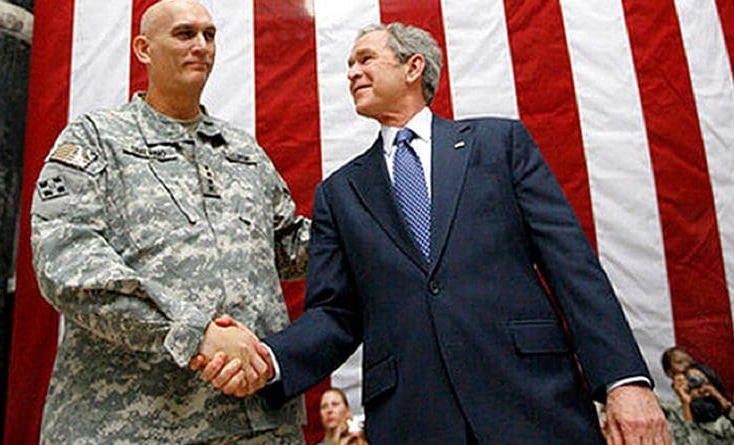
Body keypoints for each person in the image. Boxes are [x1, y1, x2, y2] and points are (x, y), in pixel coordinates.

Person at [200, 22, 669, 443]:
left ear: (413, 67)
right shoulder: (339, 193)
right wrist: (270, 359)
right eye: (348, 65)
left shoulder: (499, 145)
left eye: (365, 59)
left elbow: (573, 267)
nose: (351, 74)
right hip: (413, 417)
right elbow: (335, 314)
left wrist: (625, 381)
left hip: (533, 402)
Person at [29, 0, 309, 443]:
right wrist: (193, 333)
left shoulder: (243, 151)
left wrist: (369, 208)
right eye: (184, 34)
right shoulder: (94, 139)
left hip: (254, 423)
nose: (201, 46)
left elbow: (288, 249)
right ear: (143, 48)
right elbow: (67, 260)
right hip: (132, 422)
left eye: (209, 35)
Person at [662, 362, 734, 444]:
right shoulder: (672, 412)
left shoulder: (723, 422)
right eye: (691, 381)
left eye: (700, 381)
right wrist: (685, 404)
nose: (698, 390)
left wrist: (720, 398)